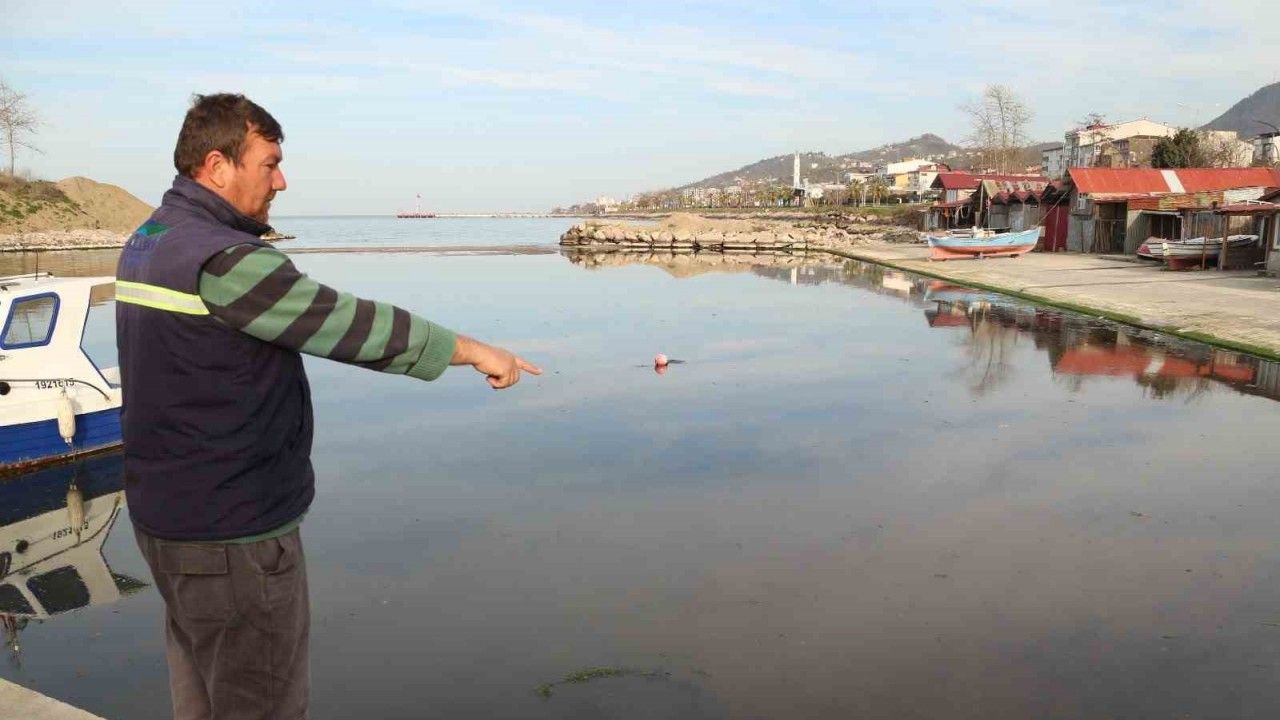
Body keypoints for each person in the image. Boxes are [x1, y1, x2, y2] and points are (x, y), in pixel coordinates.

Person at [116, 93, 540, 720]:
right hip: (231, 531)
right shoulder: (226, 260)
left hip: (165, 517)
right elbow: (350, 325)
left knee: (201, 692)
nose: (281, 181)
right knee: (261, 703)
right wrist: (474, 350)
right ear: (217, 165)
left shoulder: (151, 239)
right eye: (270, 164)